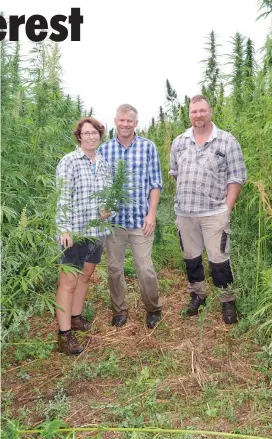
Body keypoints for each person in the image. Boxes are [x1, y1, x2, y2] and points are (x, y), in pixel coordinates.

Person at [170, 94, 247, 324]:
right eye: (194, 111)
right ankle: (197, 296)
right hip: (186, 214)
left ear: (210, 111)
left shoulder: (226, 140)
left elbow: (237, 176)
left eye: (202, 110)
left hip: (215, 213)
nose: (198, 115)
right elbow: (175, 173)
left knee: (219, 260)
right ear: (189, 114)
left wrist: (227, 209)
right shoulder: (180, 141)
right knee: (191, 258)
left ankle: (227, 301)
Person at [98, 104, 163, 329]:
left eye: (130, 121)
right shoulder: (104, 150)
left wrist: (152, 214)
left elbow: (155, 184)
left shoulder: (148, 147)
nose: (125, 124)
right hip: (114, 222)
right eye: (122, 120)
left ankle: (153, 308)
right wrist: (101, 208)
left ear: (136, 123)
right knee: (114, 269)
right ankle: (119, 310)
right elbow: (99, 185)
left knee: (144, 268)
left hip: (140, 221)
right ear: (115, 121)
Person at [56, 117, 112, 355]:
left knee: (86, 275)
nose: (91, 136)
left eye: (95, 133)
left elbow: (110, 195)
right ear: (79, 136)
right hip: (74, 232)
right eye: (86, 133)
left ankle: (76, 317)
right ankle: (64, 334)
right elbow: (62, 196)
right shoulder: (69, 161)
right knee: (68, 281)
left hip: (96, 231)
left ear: (100, 136)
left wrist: (109, 209)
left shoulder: (104, 163)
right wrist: (64, 228)